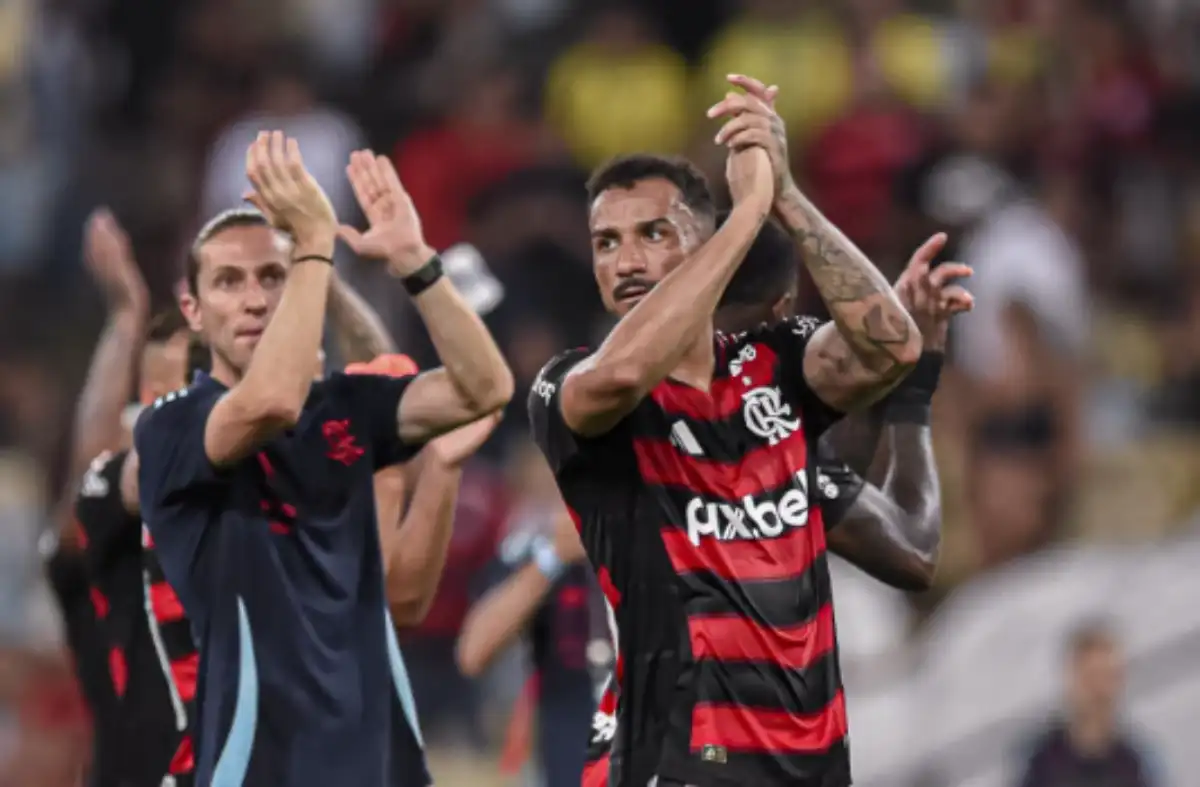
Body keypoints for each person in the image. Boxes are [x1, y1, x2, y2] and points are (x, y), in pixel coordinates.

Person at [527, 61, 942, 784]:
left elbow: (894, 347)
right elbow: (625, 374)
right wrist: (746, 215)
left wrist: (785, 197)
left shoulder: (772, 363)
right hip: (674, 756)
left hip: (810, 762)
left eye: (652, 233)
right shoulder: (571, 385)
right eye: (606, 242)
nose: (625, 261)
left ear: (701, 244)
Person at [464, 218, 971, 786]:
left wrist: (909, 381)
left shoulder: (772, 451)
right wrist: (912, 385)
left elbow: (910, 552)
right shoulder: (622, 432)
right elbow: (474, 649)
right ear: (782, 310)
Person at [45, 204, 498, 786]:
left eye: (269, 282)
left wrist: (324, 274)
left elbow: (399, 600)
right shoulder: (163, 441)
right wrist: (127, 319)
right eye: (159, 384)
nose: (168, 396)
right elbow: (107, 464)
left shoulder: (314, 438)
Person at [1017, 622, 1161, 787]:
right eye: (1090, 677)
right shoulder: (1040, 762)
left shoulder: (1138, 764)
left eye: (1108, 677)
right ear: (1071, 681)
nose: (1099, 690)